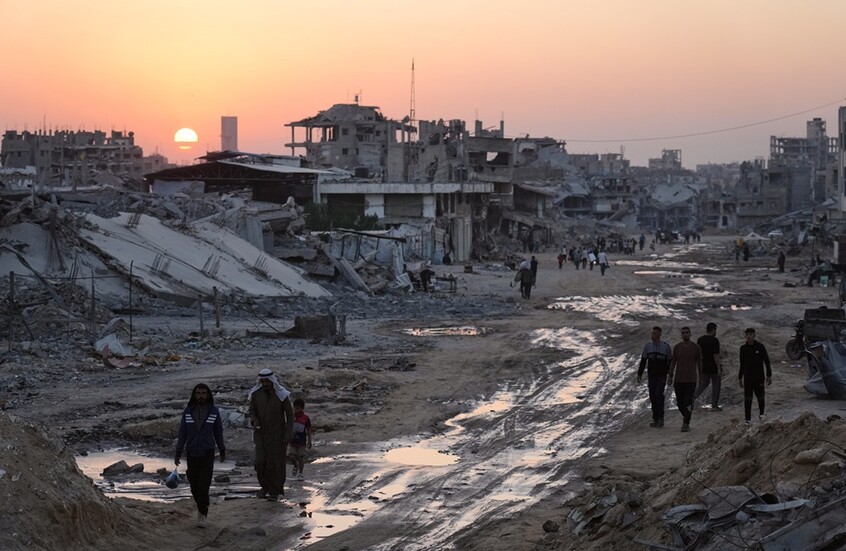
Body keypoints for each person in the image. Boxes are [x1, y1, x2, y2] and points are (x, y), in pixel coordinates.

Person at [174, 383, 226, 528]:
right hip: (192, 454)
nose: (201, 396)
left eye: (203, 393)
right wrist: (178, 452)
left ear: (208, 395)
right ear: (194, 395)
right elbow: (182, 434)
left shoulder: (214, 412)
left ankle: (202, 513)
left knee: (204, 485)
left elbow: (218, 432)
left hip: (207, 453)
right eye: (198, 393)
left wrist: (222, 449)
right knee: (194, 485)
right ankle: (203, 504)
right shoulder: (188, 412)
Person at [249, 368, 294, 500]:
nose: (265, 384)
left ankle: (275, 491)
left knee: (276, 463)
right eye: (262, 382)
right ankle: (265, 487)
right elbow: (252, 411)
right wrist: (254, 421)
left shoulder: (281, 394)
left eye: (267, 381)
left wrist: (288, 434)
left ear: (272, 381)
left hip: (278, 434)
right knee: (261, 461)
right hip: (261, 434)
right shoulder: (256, 394)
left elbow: (290, 415)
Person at [637, 326, 673, 428]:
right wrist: (639, 374)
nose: (653, 335)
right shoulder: (647, 346)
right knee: (652, 396)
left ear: (660, 334)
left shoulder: (666, 347)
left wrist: (670, 375)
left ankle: (661, 418)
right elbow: (643, 361)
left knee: (659, 395)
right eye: (652, 333)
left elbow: (670, 362)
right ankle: (655, 418)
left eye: (655, 333)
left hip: (661, 375)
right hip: (651, 375)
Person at [668, 327, 702, 432]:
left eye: (687, 333)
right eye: (683, 333)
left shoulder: (696, 347)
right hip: (678, 379)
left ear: (690, 334)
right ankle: (686, 416)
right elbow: (673, 362)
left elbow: (700, 362)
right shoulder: (677, 347)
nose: (685, 334)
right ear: (681, 335)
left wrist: (701, 376)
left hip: (691, 379)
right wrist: (670, 375)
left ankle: (686, 423)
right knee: (679, 403)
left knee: (687, 402)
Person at [738, 328, 772, 425]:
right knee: (748, 399)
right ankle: (747, 420)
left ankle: (762, 416)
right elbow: (742, 364)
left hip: (759, 377)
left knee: (760, 398)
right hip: (748, 378)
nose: (749, 336)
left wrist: (769, 375)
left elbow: (766, 361)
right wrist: (740, 377)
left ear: (754, 335)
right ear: (745, 336)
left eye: (751, 334)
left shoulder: (760, 347)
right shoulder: (743, 348)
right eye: (747, 334)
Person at [693, 323, 723, 410]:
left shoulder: (700, 340)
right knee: (716, 385)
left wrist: (699, 367)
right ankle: (714, 406)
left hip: (704, 366)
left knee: (703, 384)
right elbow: (716, 355)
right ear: (713, 330)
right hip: (713, 366)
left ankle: (692, 399)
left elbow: (699, 355)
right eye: (715, 330)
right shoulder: (715, 340)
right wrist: (718, 367)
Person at [288, 398, 313, 480]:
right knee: (291, 456)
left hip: (301, 442)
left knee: (301, 457)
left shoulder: (305, 418)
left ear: (302, 409)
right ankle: (295, 465)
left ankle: (301, 473)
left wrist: (309, 441)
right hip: (292, 441)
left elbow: (308, 429)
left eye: (297, 408)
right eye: (294, 408)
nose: (295, 410)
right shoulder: (291, 417)